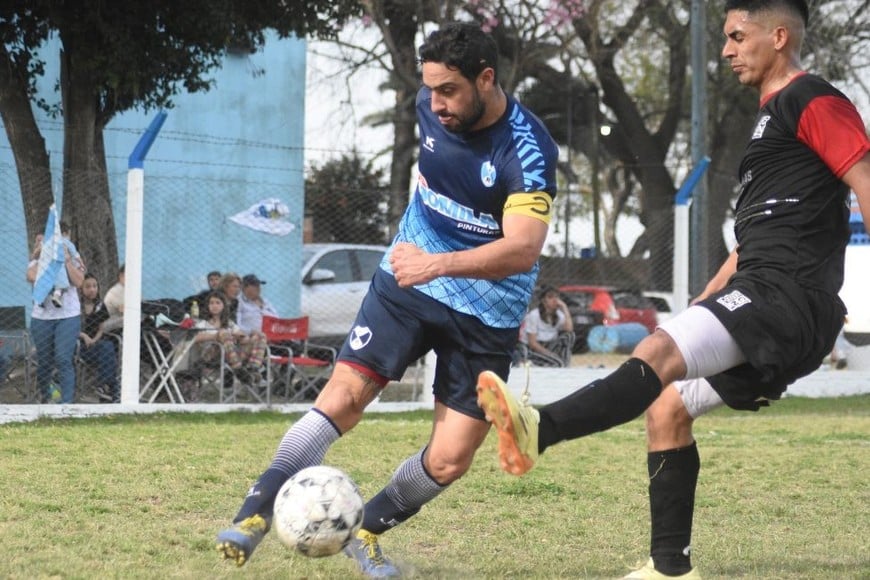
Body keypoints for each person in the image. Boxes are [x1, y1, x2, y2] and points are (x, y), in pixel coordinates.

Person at [476, 1, 870, 578]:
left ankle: (542, 429)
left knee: (655, 355)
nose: (728, 50)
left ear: (779, 36)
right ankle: (670, 568)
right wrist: (704, 304)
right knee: (667, 405)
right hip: (765, 292)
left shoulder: (813, 100)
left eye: (738, 36)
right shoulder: (771, 126)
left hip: (789, 298)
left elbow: (865, 180)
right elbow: (750, 247)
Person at [215, 21, 559, 576]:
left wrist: (439, 264)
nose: (436, 103)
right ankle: (254, 513)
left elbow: (522, 248)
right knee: (345, 396)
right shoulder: (429, 104)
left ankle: (367, 529)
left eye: (449, 91)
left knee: (450, 459)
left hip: (486, 309)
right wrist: (421, 261)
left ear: (486, 79)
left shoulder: (529, 150)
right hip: (406, 280)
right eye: (430, 90)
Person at [27, 227, 86, 404]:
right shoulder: (35, 261)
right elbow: (31, 276)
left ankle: (66, 404)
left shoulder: (72, 256)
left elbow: (79, 281)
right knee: (44, 361)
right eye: (39, 242)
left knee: (63, 358)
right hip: (41, 317)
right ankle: (46, 399)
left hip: (67, 316)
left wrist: (66, 260)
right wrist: (41, 257)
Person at [194, 291, 267, 384]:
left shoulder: (229, 323)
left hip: (233, 356)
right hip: (213, 357)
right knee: (223, 333)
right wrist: (217, 335)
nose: (214, 306)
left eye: (218, 303)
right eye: (211, 303)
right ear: (207, 306)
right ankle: (239, 371)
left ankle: (253, 368)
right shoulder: (203, 323)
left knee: (260, 335)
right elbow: (195, 338)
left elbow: (244, 340)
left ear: (223, 305)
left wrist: (243, 336)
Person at [78, 273, 121, 403]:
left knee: (107, 345)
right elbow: (69, 328)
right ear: (81, 289)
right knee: (107, 349)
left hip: (95, 346)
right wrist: (84, 336)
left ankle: (104, 387)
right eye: (88, 286)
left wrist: (94, 340)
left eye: (95, 286)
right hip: (78, 345)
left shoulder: (100, 306)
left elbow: (101, 329)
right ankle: (111, 389)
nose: (92, 289)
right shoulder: (74, 306)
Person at [519, 286, 574, 367]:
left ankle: (564, 365)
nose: (555, 300)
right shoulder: (534, 315)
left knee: (569, 336)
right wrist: (551, 355)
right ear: (543, 300)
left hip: (550, 345)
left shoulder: (559, 314)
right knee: (558, 363)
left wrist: (564, 307)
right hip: (534, 349)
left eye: (557, 297)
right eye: (550, 297)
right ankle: (535, 362)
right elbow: (532, 343)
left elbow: (569, 329)